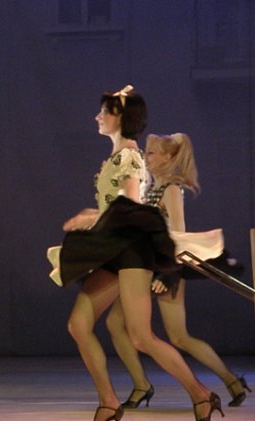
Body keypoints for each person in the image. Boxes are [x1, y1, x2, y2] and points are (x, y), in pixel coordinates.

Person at [47, 86, 222, 421]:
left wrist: (90, 218)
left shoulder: (130, 157)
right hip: (116, 250)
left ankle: (201, 394)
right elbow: (118, 207)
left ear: (121, 118)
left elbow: (130, 206)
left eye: (105, 112)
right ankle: (109, 401)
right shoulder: (118, 156)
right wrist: (93, 215)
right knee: (79, 324)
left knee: (141, 337)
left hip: (131, 252)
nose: (97, 117)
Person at [105, 132, 251, 409]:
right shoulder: (150, 188)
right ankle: (143, 384)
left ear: (167, 157)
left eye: (151, 153)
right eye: (146, 152)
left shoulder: (171, 189)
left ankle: (228, 380)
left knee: (177, 336)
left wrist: (168, 273)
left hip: (164, 270)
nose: (146, 157)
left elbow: (179, 235)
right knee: (117, 322)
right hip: (146, 268)